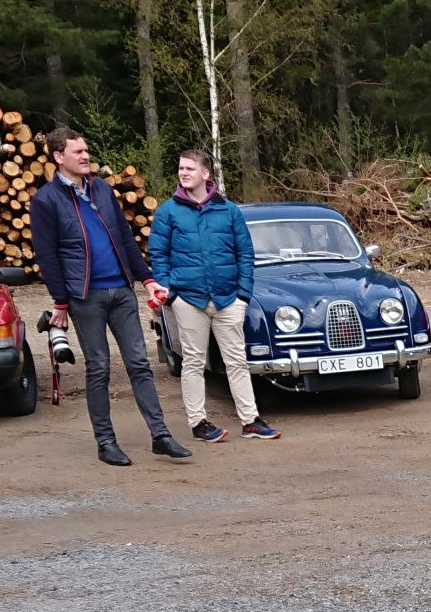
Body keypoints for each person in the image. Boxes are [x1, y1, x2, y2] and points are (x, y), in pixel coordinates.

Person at [30, 128, 188, 467]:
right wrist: (60, 301)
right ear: (58, 157)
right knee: (99, 367)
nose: (85, 156)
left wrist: (147, 279)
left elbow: (124, 238)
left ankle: (160, 436)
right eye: (77, 152)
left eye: (86, 150)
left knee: (139, 363)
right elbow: (47, 256)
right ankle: (106, 443)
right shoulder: (46, 200)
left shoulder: (101, 188)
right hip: (85, 296)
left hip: (122, 291)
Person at [147, 148, 278, 443]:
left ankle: (250, 421)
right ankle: (199, 423)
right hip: (189, 299)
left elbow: (245, 254)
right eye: (181, 168)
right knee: (193, 362)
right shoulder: (168, 211)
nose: (183, 173)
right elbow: (158, 254)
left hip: (228, 299)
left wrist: (243, 295)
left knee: (237, 361)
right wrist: (171, 293)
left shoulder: (228, 210)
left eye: (189, 168)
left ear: (205, 173)